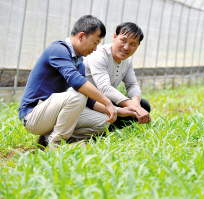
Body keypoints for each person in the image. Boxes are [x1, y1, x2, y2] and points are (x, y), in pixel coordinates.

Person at [18, 15, 138, 148]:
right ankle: (55, 146)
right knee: (78, 94)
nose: (95, 49)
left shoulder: (79, 63)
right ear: (81, 36)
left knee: (103, 121)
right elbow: (76, 81)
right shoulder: (58, 49)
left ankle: (48, 140)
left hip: (51, 114)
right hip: (33, 115)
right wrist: (108, 102)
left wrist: (118, 110)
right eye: (95, 42)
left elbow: (89, 100)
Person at [83, 22, 151, 131]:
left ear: (138, 45)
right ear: (115, 37)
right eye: (123, 40)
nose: (126, 47)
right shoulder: (99, 54)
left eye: (133, 44)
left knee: (144, 105)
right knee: (132, 109)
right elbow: (104, 88)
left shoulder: (127, 60)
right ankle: (102, 130)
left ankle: (110, 129)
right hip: (87, 102)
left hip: (106, 102)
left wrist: (136, 103)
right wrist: (134, 107)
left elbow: (132, 84)